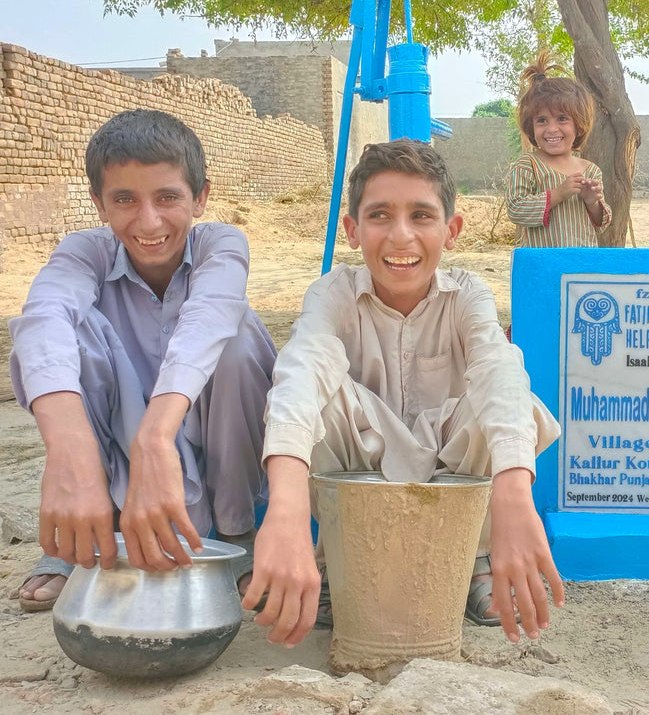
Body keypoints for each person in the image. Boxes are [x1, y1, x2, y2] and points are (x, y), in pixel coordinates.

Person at [245, 140, 564, 648]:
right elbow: (302, 369)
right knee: (307, 394)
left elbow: (496, 370)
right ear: (352, 230)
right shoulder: (333, 293)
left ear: (451, 231)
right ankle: (334, 563)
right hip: (363, 475)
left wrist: (513, 492)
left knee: (509, 393)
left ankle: (476, 559)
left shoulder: (467, 295)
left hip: (448, 476)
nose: (401, 236)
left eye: (421, 215)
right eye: (379, 215)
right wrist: (283, 509)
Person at [10, 110, 276, 611]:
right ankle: (86, 532)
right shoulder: (83, 252)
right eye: (125, 200)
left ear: (200, 198)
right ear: (99, 203)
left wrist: (156, 438)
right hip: (116, 450)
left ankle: (237, 537)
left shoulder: (220, 243)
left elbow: (210, 316)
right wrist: (70, 453)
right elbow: (43, 319)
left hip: (210, 437)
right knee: (67, 332)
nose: (148, 221)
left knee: (236, 334)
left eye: (168, 197)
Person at [506, 50, 611, 247]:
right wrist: (559, 193)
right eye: (542, 120)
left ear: (579, 124)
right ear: (531, 126)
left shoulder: (591, 170)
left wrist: (592, 202)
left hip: (582, 267)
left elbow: (602, 223)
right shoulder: (528, 165)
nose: (552, 129)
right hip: (544, 268)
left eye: (562, 119)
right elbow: (516, 209)